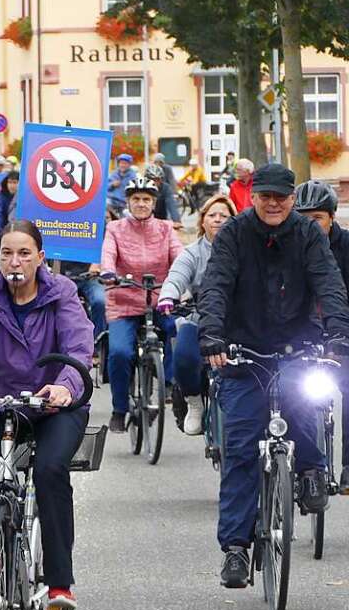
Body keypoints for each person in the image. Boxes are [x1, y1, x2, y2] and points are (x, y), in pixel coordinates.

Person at [199, 164, 349, 588]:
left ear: (290, 198)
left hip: (297, 343)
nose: (272, 203)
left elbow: (329, 283)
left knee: (305, 401)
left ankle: (312, 469)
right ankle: (235, 550)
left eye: (280, 197)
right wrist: (212, 335)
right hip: (242, 348)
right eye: (264, 195)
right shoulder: (234, 233)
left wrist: (339, 333)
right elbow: (216, 284)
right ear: (254, 196)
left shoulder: (307, 235)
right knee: (242, 447)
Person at [0, 220, 92, 610]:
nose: (15, 261)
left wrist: (65, 386)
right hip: (4, 402)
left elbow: (79, 346)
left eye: (24, 253)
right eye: (7, 252)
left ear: (40, 257)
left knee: (49, 470)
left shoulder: (62, 292)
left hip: (56, 404)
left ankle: (60, 582)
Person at [101, 177, 184, 433]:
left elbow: (179, 256)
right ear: (128, 202)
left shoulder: (166, 229)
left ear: (153, 203)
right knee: (119, 353)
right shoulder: (115, 228)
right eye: (136, 199)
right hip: (124, 299)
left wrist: (181, 282)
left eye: (146, 199)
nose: (141, 204)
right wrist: (107, 272)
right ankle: (119, 409)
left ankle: (169, 383)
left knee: (177, 331)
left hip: (160, 299)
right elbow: (108, 254)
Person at [157, 194, 237, 434]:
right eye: (212, 215)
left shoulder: (244, 249)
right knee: (183, 355)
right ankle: (193, 401)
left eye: (224, 215)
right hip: (197, 316)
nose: (218, 220)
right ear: (203, 221)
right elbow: (177, 275)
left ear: (234, 221)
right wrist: (168, 295)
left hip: (237, 320)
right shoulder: (192, 252)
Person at [293, 179, 349, 489]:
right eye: (302, 219)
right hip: (303, 336)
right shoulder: (288, 248)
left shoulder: (347, 247)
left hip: (341, 337)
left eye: (316, 218)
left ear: (331, 218)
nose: (309, 225)